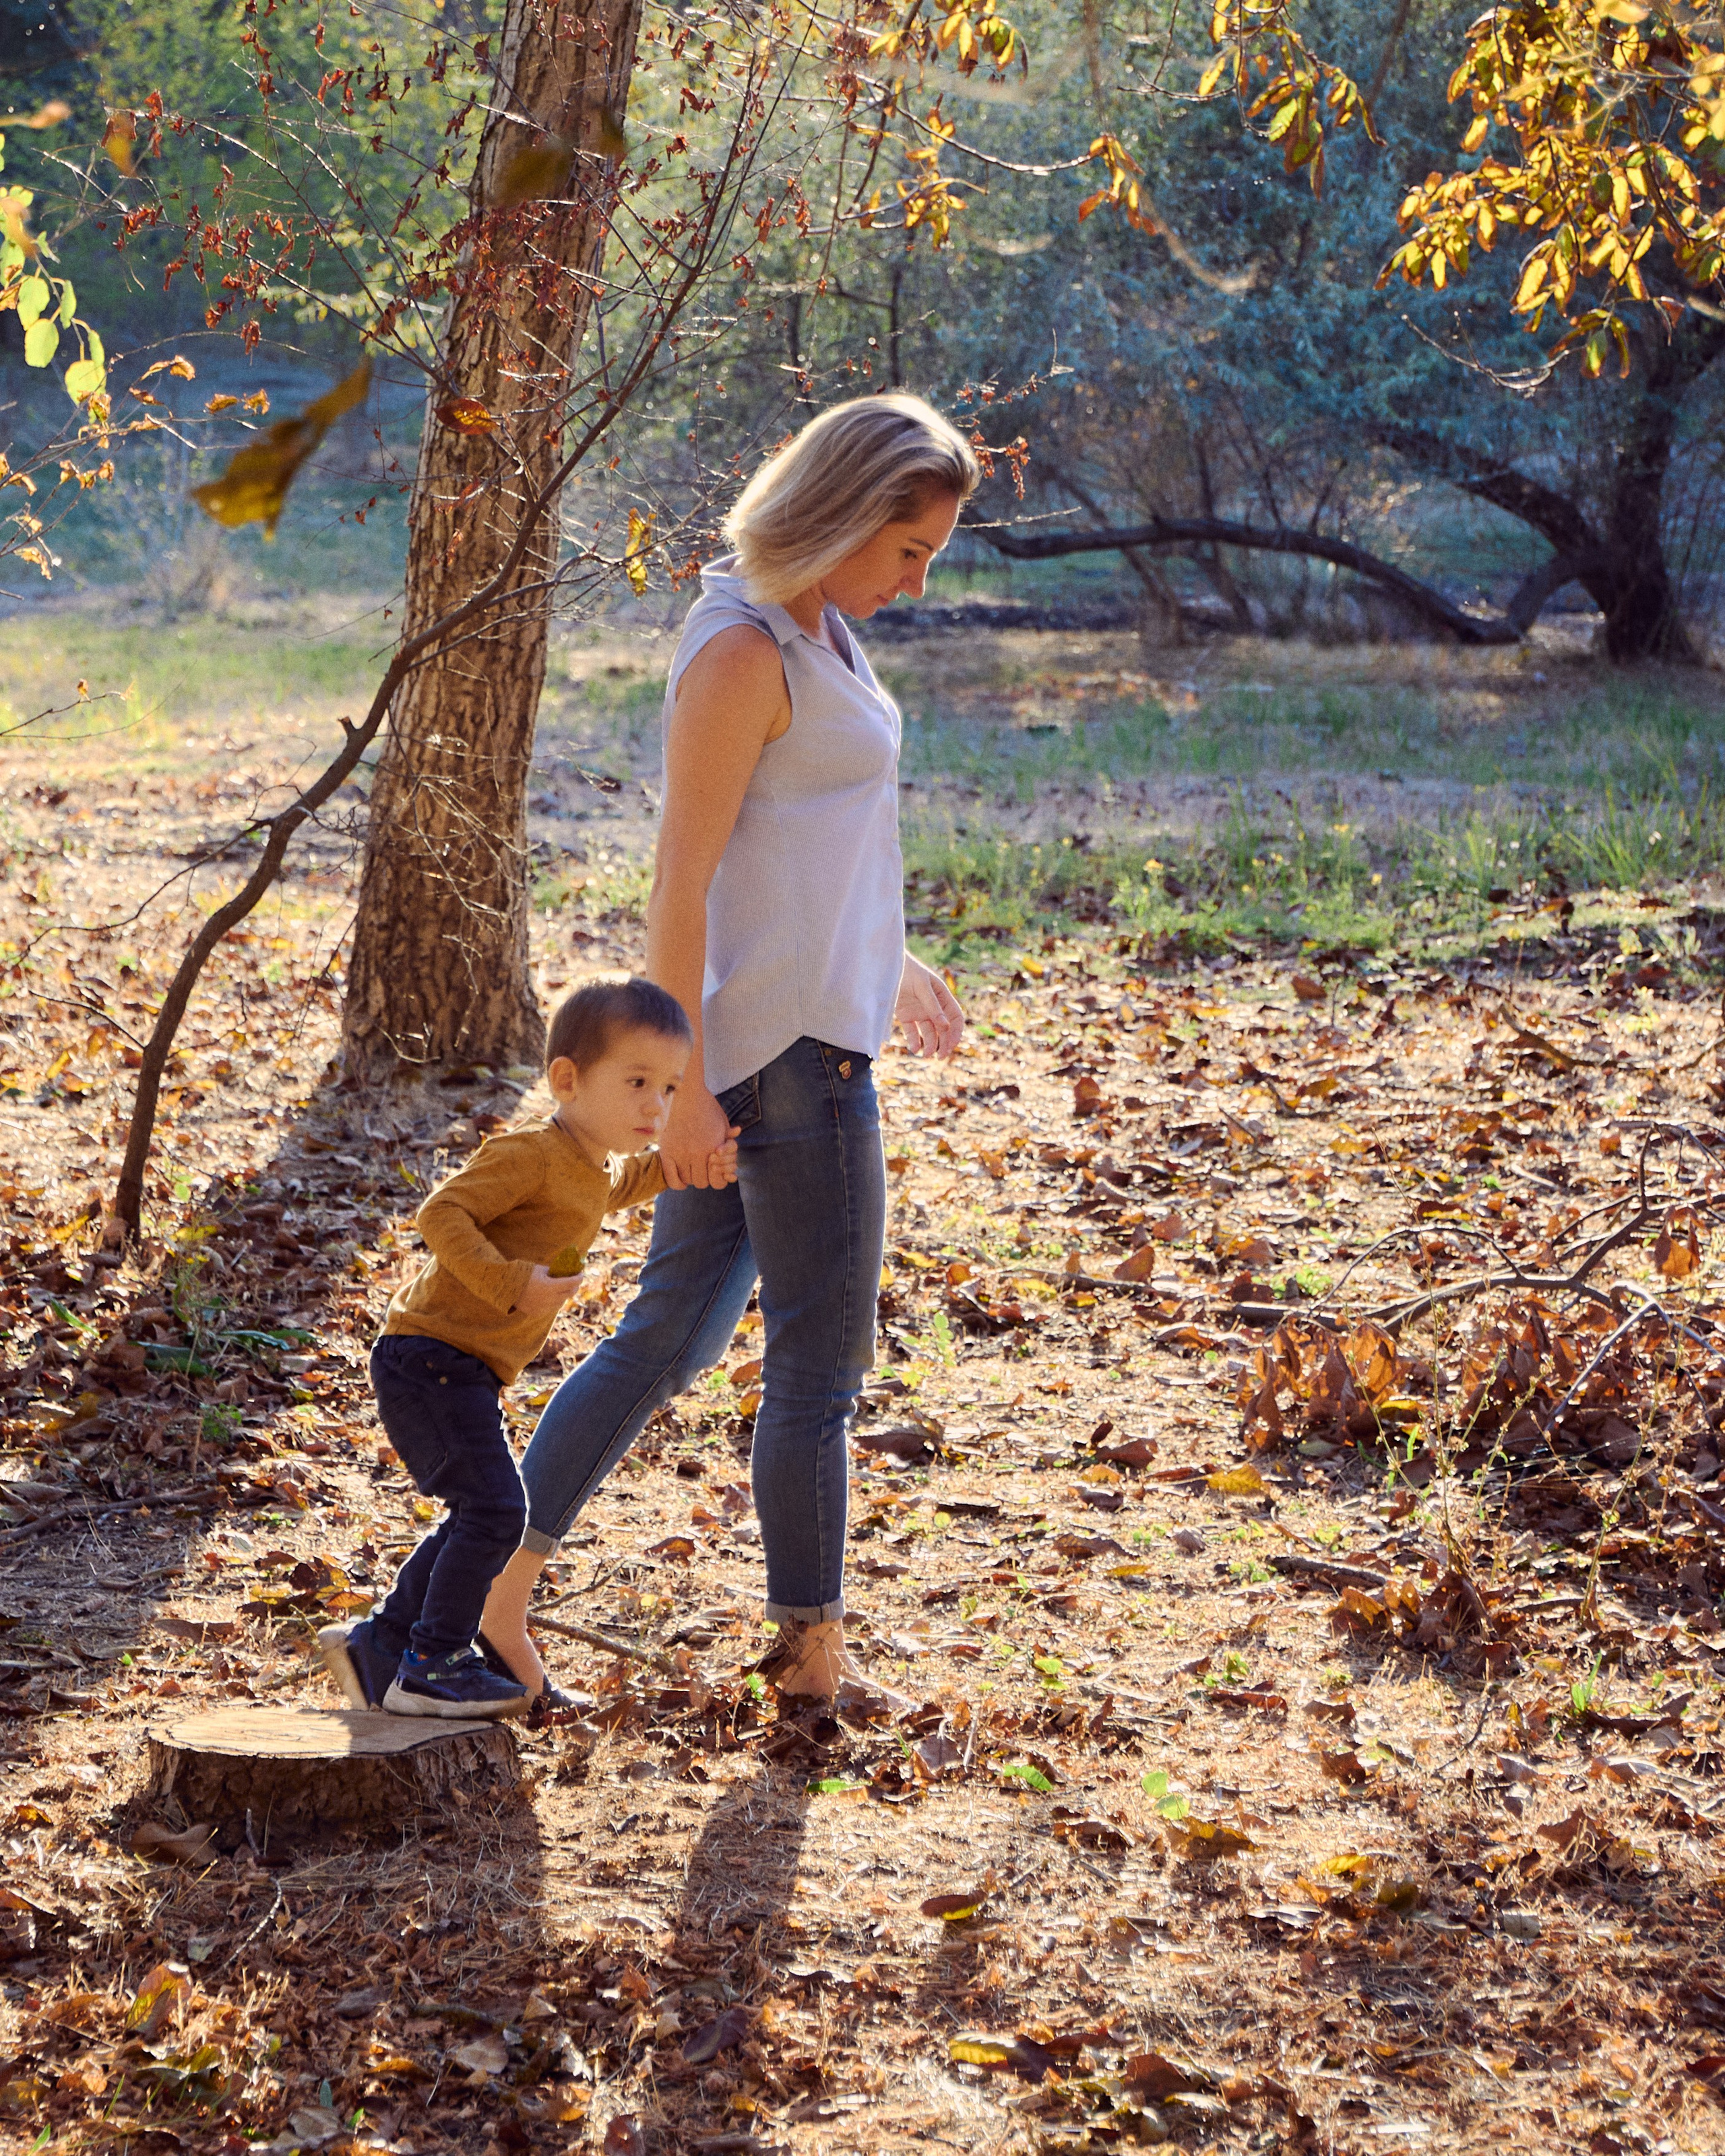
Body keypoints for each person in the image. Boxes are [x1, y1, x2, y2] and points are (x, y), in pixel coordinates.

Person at [478, 391, 976, 1712]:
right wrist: (689, 1086)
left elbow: (809, 843)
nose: (916, 580)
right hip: (780, 1068)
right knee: (818, 1369)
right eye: (909, 548)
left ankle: (485, 1593)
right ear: (842, 511)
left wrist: (891, 958)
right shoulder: (740, 649)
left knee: (661, 1345)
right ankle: (810, 1661)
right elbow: (680, 887)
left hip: (803, 1034)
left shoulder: (815, 628)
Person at [317, 976, 736, 1719]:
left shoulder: (589, 1163)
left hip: (462, 1368)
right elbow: (440, 1211)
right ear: (567, 1079)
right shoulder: (532, 1153)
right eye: (637, 1081)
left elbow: (625, 1183)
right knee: (495, 1511)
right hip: (427, 1356)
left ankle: (381, 1642)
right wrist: (510, 1280)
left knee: (479, 1511)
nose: (656, 1106)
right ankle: (433, 1661)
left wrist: (691, 1159)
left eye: (670, 1088)